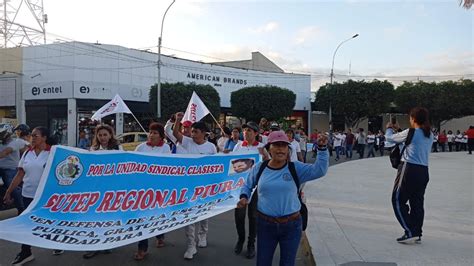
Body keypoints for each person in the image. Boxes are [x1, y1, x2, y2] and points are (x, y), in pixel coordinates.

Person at [237, 130, 329, 266]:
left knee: (287, 263)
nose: (280, 149)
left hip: (291, 226)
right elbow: (247, 185)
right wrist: (244, 197)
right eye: (276, 145)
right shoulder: (259, 168)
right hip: (265, 225)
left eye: (284, 145)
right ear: (269, 149)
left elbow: (319, 170)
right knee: (263, 262)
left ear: (288, 149)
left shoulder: (295, 168)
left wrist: (322, 149)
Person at [3, 126, 63, 265]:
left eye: (36, 135)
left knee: (50, 220)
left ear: (44, 137)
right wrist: (8, 191)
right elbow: (20, 174)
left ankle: (56, 242)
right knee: (27, 223)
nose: (32, 138)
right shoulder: (27, 153)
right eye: (32, 135)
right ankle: (26, 252)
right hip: (28, 194)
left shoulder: (53, 153)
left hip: (47, 196)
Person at [386, 107, 433, 244]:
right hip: (423, 171)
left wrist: (389, 128)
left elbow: (390, 138)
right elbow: (412, 141)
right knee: (417, 202)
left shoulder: (411, 132)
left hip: (409, 169)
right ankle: (417, 232)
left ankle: (409, 230)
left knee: (397, 200)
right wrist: (400, 130)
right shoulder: (429, 134)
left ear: (413, 119)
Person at [173, 113, 217, 260]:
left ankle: (202, 235)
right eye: (192, 131)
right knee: (189, 216)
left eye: (196, 132)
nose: (192, 134)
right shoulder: (187, 142)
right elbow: (175, 133)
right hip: (188, 186)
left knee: (204, 213)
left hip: (205, 187)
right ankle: (191, 245)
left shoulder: (211, 147)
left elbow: (216, 166)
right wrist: (178, 120)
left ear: (204, 133)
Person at [133, 122, 171, 260]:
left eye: (155, 133)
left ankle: (160, 235)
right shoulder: (141, 147)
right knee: (142, 218)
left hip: (158, 189)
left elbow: (167, 167)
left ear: (161, 136)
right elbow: (133, 165)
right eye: (150, 132)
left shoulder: (166, 148)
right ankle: (142, 248)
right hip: (142, 190)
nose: (152, 135)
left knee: (156, 216)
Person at [83, 124, 122, 259]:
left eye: (105, 134)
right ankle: (94, 245)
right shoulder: (93, 149)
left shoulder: (117, 148)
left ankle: (107, 243)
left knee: (109, 217)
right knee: (95, 217)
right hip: (96, 188)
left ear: (110, 135)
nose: (102, 137)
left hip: (112, 188)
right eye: (100, 135)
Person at [232, 121, 267, 259]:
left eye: (250, 131)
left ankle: (251, 243)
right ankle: (240, 239)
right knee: (239, 216)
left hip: (256, 187)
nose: (246, 133)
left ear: (256, 133)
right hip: (239, 187)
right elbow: (231, 163)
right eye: (245, 130)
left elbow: (269, 164)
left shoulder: (261, 147)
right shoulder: (238, 146)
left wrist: (264, 156)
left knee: (253, 217)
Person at [0, 124, 27, 214]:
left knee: (13, 188)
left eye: (2, 133)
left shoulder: (15, 142)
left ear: (7, 133)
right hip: (1, 168)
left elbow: (5, 152)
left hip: (10, 169)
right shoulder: (1, 143)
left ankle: (21, 208)